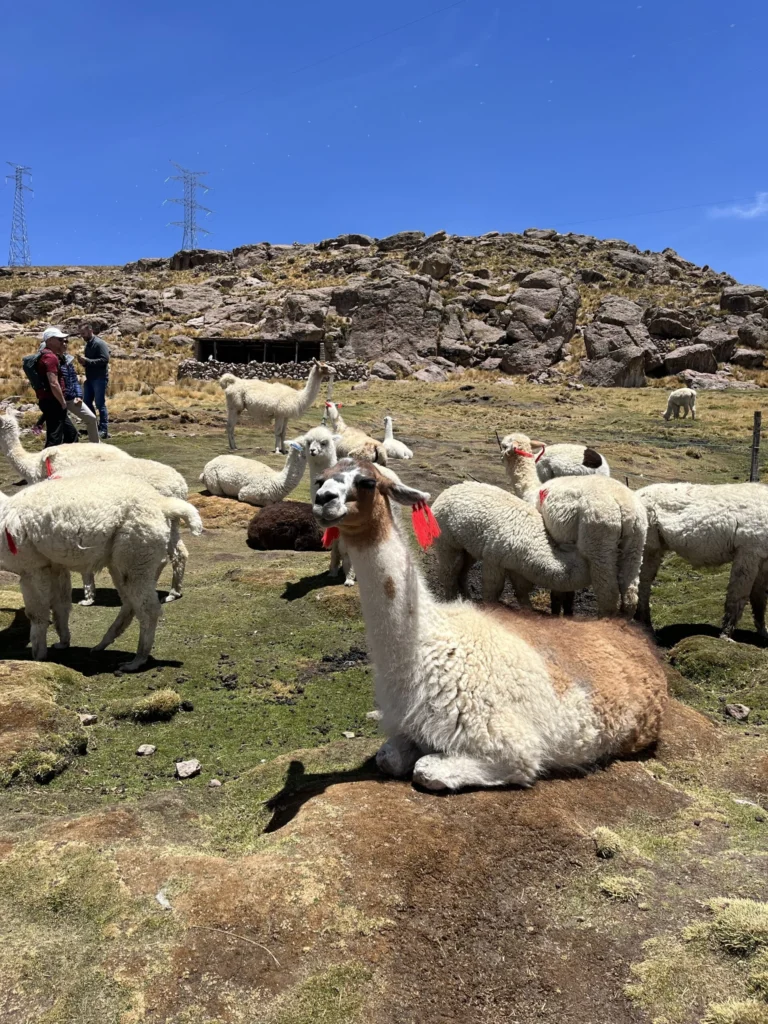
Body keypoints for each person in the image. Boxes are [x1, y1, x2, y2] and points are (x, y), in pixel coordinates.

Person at [34, 328, 79, 447]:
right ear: (50, 341)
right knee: (55, 438)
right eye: (59, 339)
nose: (62, 342)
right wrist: (63, 402)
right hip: (54, 402)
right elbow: (53, 383)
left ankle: (65, 462)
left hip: (51, 401)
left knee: (71, 435)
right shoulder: (51, 358)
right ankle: (46, 464)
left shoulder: (47, 355)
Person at [77, 322, 110, 439]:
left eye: (84, 334)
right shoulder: (88, 345)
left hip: (99, 378)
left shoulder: (99, 344)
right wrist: (84, 363)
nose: (82, 336)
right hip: (90, 378)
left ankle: (104, 430)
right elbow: (91, 362)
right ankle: (94, 427)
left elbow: (105, 360)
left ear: (90, 331)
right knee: (86, 403)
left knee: (100, 404)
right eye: (81, 334)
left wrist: (88, 361)